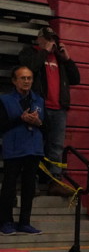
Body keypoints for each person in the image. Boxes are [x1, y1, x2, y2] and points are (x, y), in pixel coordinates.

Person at [18, 27, 80, 189]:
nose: (51, 42)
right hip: (38, 106)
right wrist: (44, 51)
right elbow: (30, 68)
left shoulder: (59, 59)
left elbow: (76, 79)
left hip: (59, 108)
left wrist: (68, 59)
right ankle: (32, 179)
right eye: (47, 38)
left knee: (56, 145)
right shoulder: (30, 52)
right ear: (39, 39)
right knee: (35, 143)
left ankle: (55, 180)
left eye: (53, 39)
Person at [0, 67, 45, 235]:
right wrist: (21, 119)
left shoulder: (39, 100)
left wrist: (38, 123)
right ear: (14, 81)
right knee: (9, 186)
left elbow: (47, 127)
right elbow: (2, 125)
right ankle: (5, 221)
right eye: (23, 78)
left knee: (29, 187)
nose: (26, 81)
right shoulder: (4, 100)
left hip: (33, 149)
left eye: (29, 78)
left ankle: (25, 222)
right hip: (13, 148)